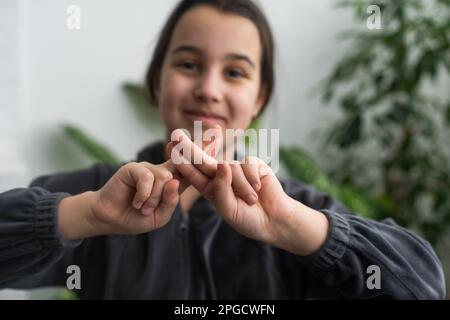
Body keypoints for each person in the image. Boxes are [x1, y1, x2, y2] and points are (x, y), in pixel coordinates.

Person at [0, 0, 445, 299]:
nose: (209, 90)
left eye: (235, 72)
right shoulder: (95, 193)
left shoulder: (296, 208)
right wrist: (90, 215)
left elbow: (422, 285)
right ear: (157, 82)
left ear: (259, 99)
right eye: (189, 65)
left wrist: (294, 227)